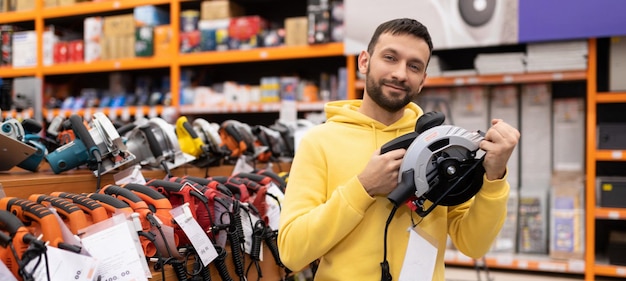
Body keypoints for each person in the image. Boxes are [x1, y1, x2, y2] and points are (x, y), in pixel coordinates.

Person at [277, 18, 520, 281]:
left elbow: (473, 245)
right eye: (390, 58)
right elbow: (292, 253)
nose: (401, 73)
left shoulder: (440, 145)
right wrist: (363, 188)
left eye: (413, 66)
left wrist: (494, 177)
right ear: (364, 61)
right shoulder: (319, 142)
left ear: (422, 80)